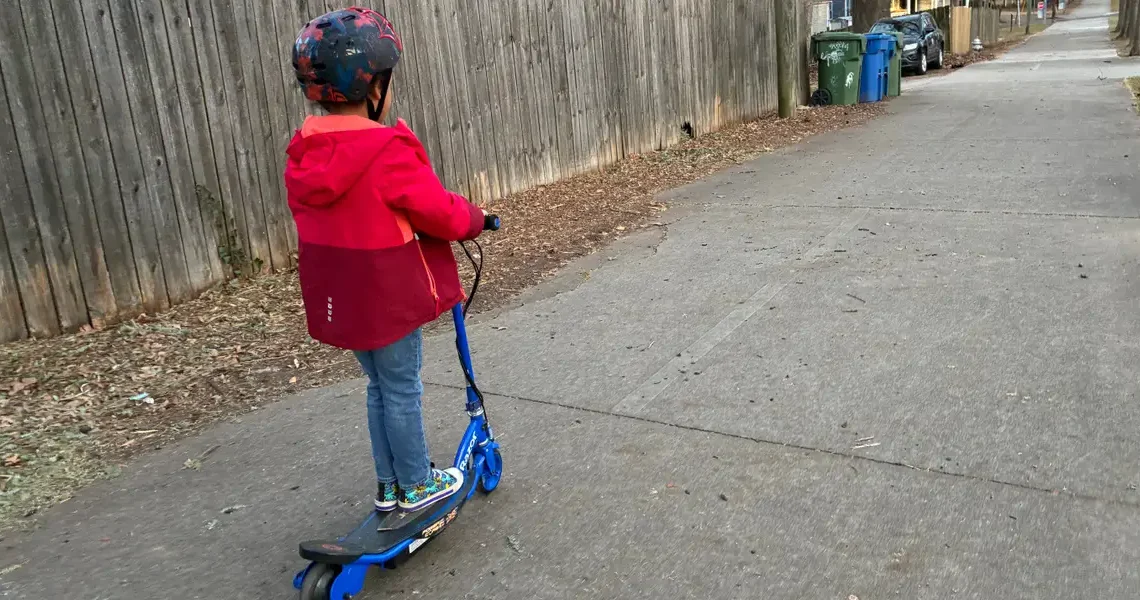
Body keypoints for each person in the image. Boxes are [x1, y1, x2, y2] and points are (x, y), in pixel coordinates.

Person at [285, 7, 488, 513]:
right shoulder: (385, 149)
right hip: (386, 294)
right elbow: (439, 212)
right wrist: (477, 219)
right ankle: (417, 483)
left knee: (378, 385)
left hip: (340, 295)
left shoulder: (305, 152)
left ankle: (389, 484)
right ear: (373, 86)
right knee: (401, 387)